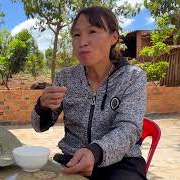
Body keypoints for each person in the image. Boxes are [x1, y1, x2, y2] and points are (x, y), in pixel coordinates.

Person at [31, 6, 147, 180]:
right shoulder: (65, 77)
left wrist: (95, 152)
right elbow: (40, 126)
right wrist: (42, 107)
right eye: (76, 35)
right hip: (72, 159)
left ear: (113, 38)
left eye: (92, 31)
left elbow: (129, 129)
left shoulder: (132, 77)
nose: (82, 42)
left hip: (122, 164)